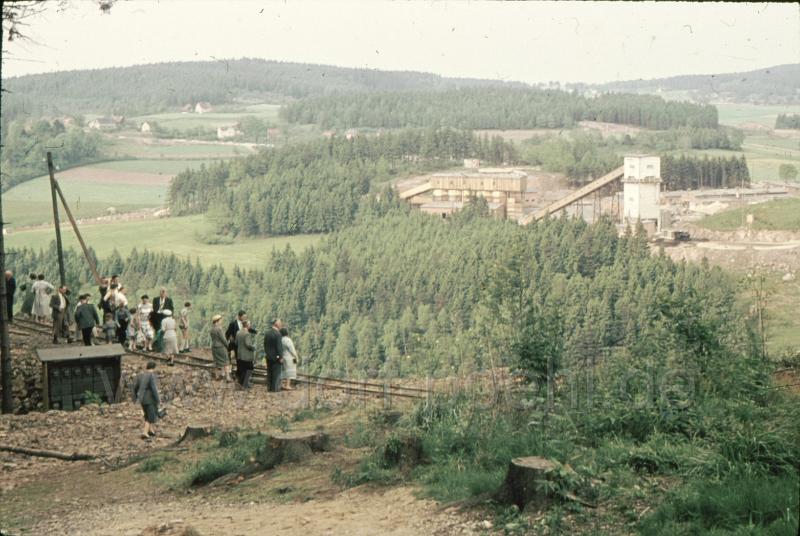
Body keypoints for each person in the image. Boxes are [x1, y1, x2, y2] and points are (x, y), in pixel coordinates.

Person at [132, 361, 161, 440]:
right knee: (150, 415)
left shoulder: (140, 375)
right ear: (154, 368)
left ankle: (151, 430)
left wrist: (136, 398)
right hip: (150, 399)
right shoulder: (151, 375)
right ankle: (145, 432)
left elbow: (135, 387)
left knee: (147, 413)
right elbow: (154, 389)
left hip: (142, 399)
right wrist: (158, 399)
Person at [263, 318, 284, 392]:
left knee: (269, 372)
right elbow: (279, 347)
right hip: (276, 357)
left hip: (268, 356)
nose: (281, 324)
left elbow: (265, 345)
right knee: (276, 373)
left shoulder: (267, 333)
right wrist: (280, 357)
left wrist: (267, 353)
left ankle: (269, 388)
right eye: (280, 323)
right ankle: (275, 388)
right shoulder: (278, 334)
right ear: (276, 324)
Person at [236, 320, 256, 388]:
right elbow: (248, 345)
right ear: (247, 325)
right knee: (249, 369)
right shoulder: (247, 334)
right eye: (249, 324)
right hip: (246, 355)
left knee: (242, 370)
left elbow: (236, 343)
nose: (250, 325)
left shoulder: (238, 332)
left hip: (239, 354)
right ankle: (245, 384)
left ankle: (241, 383)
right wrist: (253, 348)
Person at [210, 314, 229, 381]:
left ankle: (218, 376)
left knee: (216, 362)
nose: (222, 321)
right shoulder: (219, 329)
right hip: (220, 347)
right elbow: (223, 339)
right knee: (226, 361)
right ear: (217, 321)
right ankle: (227, 377)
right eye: (221, 320)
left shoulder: (212, 329)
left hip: (214, 346)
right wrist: (228, 346)